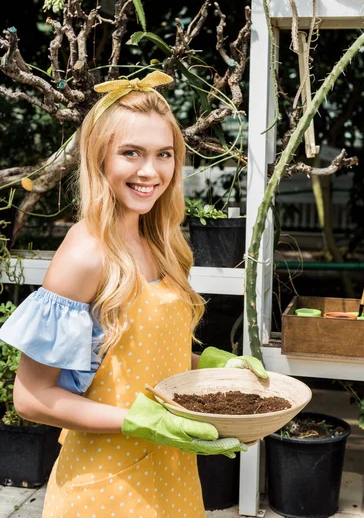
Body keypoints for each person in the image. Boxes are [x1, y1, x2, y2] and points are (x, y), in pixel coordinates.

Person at [0, 71, 268, 518]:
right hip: (106, 487)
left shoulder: (162, 243)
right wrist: (138, 421)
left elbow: (144, 358)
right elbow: (30, 397)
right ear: (100, 158)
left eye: (164, 154)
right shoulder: (86, 254)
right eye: (131, 153)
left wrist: (217, 367)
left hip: (172, 474)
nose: (150, 171)